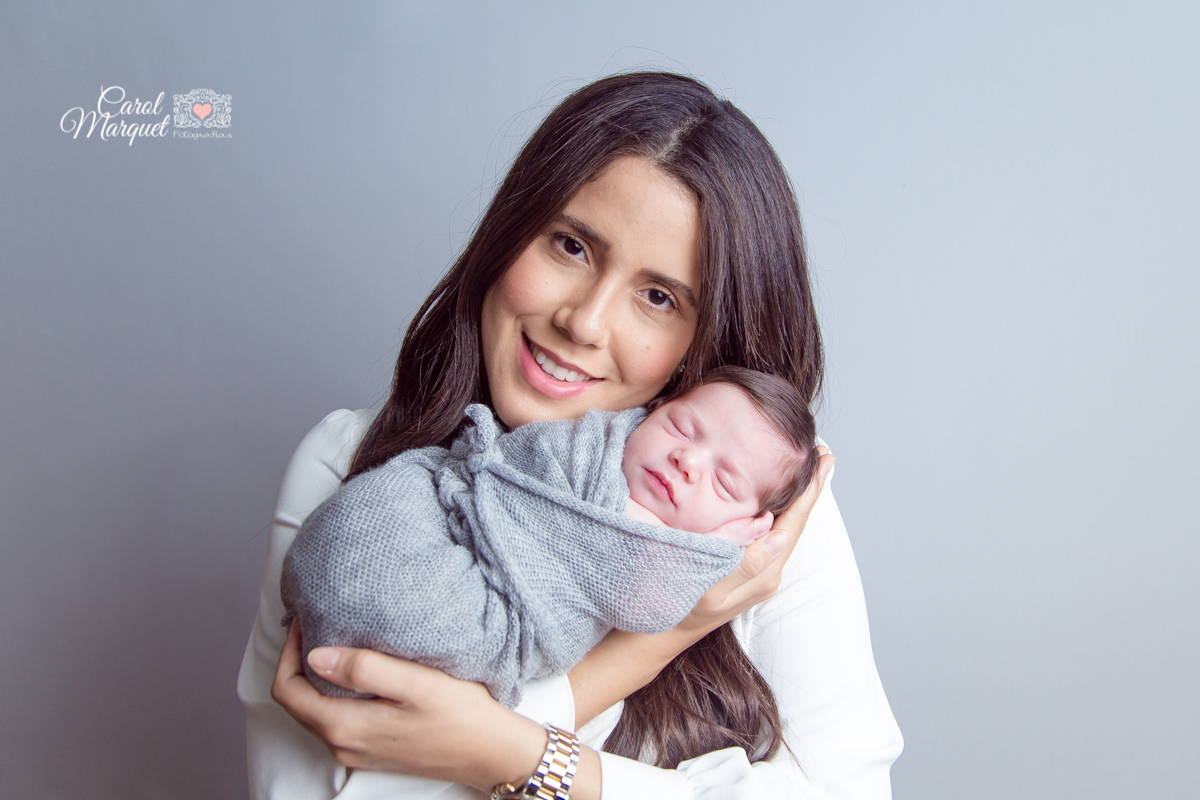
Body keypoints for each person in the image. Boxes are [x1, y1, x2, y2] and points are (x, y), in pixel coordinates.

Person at [239, 71, 903, 800]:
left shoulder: (753, 528)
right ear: (509, 231)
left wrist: (517, 753)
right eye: (571, 246)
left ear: (700, 341)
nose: (584, 323)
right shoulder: (346, 464)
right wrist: (644, 652)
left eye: (658, 297)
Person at [281, 369, 818, 714]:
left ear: (751, 527)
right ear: (654, 409)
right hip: (450, 508)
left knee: (410, 614)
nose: (687, 459)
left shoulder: (743, 564)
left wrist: (708, 554)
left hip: (498, 603)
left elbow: (649, 599)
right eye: (682, 427)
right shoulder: (583, 443)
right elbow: (515, 468)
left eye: (724, 482)